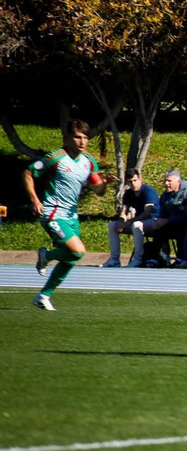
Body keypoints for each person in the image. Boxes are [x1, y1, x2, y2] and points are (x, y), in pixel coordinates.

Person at [25, 119, 109, 311]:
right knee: (78, 251)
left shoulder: (89, 162)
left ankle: (44, 295)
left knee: (71, 258)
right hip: (52, 213)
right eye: (77, 137)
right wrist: (35, 200)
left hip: (71, 216)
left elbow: (99, 191)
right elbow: (28, 174)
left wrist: (105, 183)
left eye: (85, 138)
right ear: (68, 137)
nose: (82, 142)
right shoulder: (55, 158)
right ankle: (46, 256)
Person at [102, 168, 158, 268]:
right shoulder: (129, 193)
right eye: (130, 182)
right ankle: (114, 259)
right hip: (138, 222)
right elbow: (124, 212)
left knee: (136, 225)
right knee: (112, 226)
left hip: (153, 221)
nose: (133, 184)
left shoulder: (149, 192)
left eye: (135, 181)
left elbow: (146, 214)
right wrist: (121, 221)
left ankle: (137, 259)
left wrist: (128, 222)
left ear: (140, 179)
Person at [136, 169, 187, 266]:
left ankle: (181, 258)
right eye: (165, 181)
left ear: (178, 182)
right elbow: (162, 213)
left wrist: (167, 220)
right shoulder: (165, 195)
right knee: (158, 227)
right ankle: (155, 258)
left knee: (182, 228)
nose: (166, 184)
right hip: (170, 223)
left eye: (169, 181)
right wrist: (159, 220)